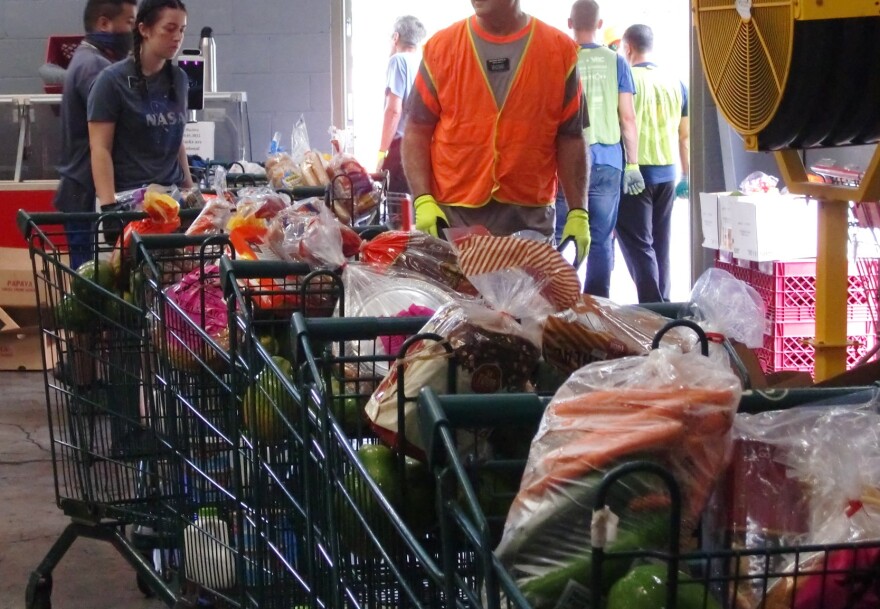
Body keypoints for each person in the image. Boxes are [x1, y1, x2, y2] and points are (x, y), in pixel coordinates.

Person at [402, 0, 592, 266]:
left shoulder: (558, 50)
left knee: (526, 306)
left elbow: (571, 136)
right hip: (454, 217)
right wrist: (423, 198)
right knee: (458, 306)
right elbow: (417, 129)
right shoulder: (441, 48)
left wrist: (578, 211)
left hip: (529, 221)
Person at [556, 0, 642, 297]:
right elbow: (627, 117)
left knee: (561, 235)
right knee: (602, 240)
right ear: (600, 25)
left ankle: (557, 305)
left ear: (569, 23)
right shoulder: (617, 60)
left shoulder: (561, 59)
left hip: (566, 163)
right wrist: (633, 164)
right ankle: (597, 309)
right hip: (607, 161)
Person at [52, 0, 137, 268]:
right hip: (89, 193)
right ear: (104, 23)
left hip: (79, 188)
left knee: (88, 274)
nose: (134, 32)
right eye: (130, 23)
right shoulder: (95, 68)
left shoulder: (85, 58)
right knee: (93, 277)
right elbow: (120, 126)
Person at [88, 0, 194, 212]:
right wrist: (109, 206)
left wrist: (190, 190)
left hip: (172, 199)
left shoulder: (179, 79)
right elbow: (100, 148)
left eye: (182, 30)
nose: (177, 37)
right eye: (169, 29)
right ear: (144, 29)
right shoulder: (111, 81)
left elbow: (175, 141)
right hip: (129, 200)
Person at [615, 24, 689, 303]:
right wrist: (686, 175)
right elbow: (685, 136)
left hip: (635, 174)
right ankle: (664, 303)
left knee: (638, 244)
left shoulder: (625, 79)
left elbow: (624, 122)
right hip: (668, 173)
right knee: (661, 243)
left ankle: (652, 307)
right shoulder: (675, 81)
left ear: (628, 48)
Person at [376, 15, 427, 194]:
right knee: (413, 208)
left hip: (400, 149)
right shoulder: (423, 62)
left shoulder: (398, 61)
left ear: (395, 37)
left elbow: (393, 110)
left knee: (396, 213)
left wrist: (382, 153)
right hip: (420, 147)